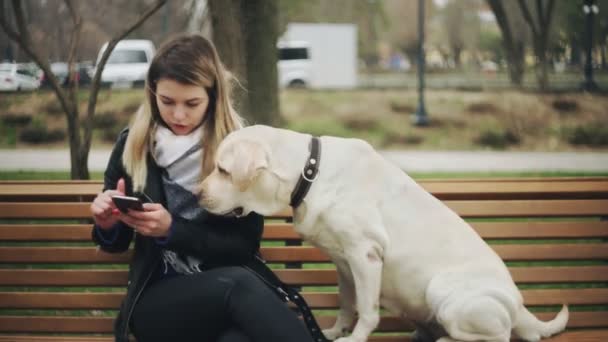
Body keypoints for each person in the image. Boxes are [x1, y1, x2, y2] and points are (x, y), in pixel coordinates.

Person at [90, 34, 314, 342]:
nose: (178, 114)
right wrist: (107, 223)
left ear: (213, 98)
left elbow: (243, 246)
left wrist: (172, 229)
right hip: (159, 300)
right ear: (152, 93)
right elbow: (115, 243)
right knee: (238, 285)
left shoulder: (237, 152)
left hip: (228, 295)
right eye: (167, 101)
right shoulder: (133, 146)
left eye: (191, 103)